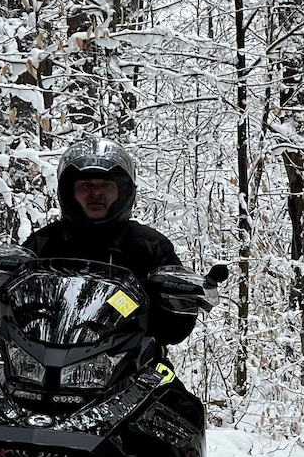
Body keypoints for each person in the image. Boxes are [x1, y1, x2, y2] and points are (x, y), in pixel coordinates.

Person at [22, 138, 201, 346]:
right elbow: (9, 308)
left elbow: (177, 327)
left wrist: (178, 298)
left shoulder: (150, 245)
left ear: (123, 191)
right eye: (86, 185)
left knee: (167, 379)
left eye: (106, 185)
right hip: (47, 357)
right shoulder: (43, 242)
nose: (96, 193)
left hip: (132, 362)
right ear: (69, 191)